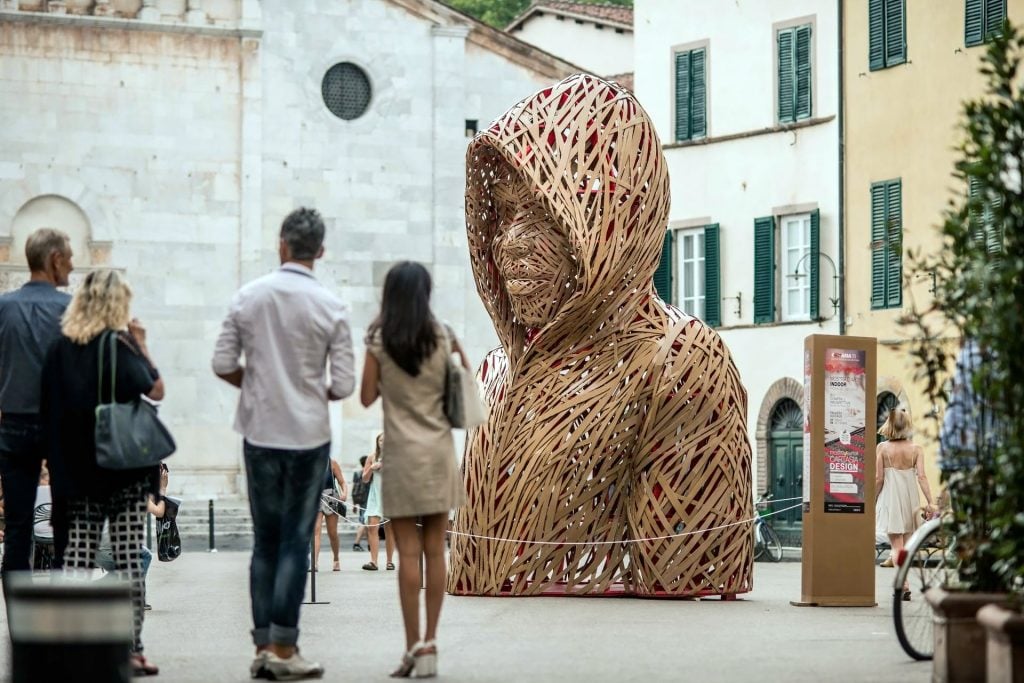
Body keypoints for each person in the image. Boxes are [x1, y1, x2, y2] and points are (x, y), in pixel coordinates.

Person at [212, 207, 355, 681]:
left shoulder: (249, 297)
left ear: (281, 244)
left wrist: (258, 385)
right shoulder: (332, 307)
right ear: (321, 251)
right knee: (295, 542)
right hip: (309, 435)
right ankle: (284, 647)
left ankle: (262, 647)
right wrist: (309, 389)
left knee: (265, 543)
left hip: (260, 431)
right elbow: (344, 384)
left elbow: (221, 362)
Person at [40, 269, 164, 676]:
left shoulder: (59, 349)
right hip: (124, 473)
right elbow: (156, 390)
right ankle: (131, 648)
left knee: (77, 558)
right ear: (117, 305)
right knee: (128, 559)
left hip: (78, 473)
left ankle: (71, 646)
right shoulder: (120, 345)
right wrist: (143, 344)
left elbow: (49, 412)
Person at [360, 262, 468, 678]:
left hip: (402, 455)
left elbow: (367, 396)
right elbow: (465, 382)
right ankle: (432, 643)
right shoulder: (443, 336)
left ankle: (411, 647)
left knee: (407, 553)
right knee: (435, 549)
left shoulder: (380, 339)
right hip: (439, 453)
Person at [0, 228, 73, 588]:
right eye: (69, 259)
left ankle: (20, 629)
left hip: (13, 423)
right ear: (55, 259)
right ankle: (60, 624)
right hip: (61, 426)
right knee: (66, 526)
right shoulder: (70, 309)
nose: (72, 268)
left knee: (16, 530)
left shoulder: (4, 307)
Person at [875, 408, 936, 597]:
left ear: (890, 426)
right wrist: (930, 502)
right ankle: (904, 583)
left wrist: (871, 500)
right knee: (907, 546)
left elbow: (879, 479)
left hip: (891, 499)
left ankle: (904, 585)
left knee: (896, 546)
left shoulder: (883, 448)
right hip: (910, 499)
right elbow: (922, 477)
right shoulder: (916, 449)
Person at [360, 434, 394, 573]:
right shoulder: (371, 457)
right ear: (377, 442)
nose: (383, 443)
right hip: (375, 496)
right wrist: (372, 468)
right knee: (372, 528)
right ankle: (373, 561)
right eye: (381, 440)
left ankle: (390, 561)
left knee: (390, 530)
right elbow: (365, 479)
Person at [312, 458, 348, 572]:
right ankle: (314, 563)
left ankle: (336, 559)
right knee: (316, 530)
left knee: (332, 532)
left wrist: (344, 493)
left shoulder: (332, 463)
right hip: (315, 498)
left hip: (331, 498)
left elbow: (342, 481)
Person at [351, 455, 369, 551]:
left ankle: (370, 544)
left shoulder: (357, 473)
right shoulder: (369, 473)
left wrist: (354, 504)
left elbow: (354, 489)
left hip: (360, 499)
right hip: (367, 499)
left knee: (366, 522)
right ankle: (356, 543)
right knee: (364, 522)